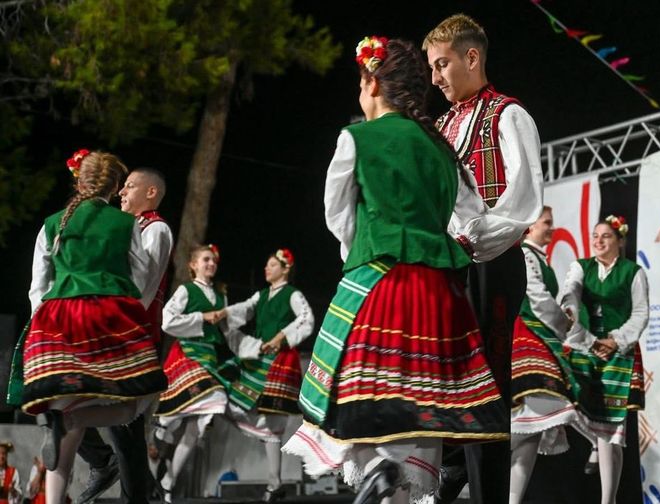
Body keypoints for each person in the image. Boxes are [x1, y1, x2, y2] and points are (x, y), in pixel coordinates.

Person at [283, 36, 511, 504]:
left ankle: (379, 471)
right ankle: (392, 479)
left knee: (361, 402)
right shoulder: (441, 148)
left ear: (370, 82)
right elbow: (471, 218)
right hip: (442, 294)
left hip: (380, 280)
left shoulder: (357, 138)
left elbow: (338, 217)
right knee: (424, 409)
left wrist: (364, 250)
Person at [423, 14, 544, 503]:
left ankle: (485, 490)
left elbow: (524, 197)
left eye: (442, 64)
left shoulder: (508, 114)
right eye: (432, 67)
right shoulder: (438, 125)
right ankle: (448, 469)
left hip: (490, 262)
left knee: (485, 381)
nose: (435, 77)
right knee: (442, 372)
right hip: (447, 264)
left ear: (472, 57)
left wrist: (473, 240)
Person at [11, 149, 166, 504]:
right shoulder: (125, 223)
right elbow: (142, 277)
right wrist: (128, 312)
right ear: (113, 187)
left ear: (79, 181)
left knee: (61, 405)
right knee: (133, 404)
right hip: (108, 316)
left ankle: (54, 486)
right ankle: (72, 420)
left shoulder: (54, 222)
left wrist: (42, 320)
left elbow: (38, 284)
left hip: (56, 319)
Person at [75, 167, 173, 504]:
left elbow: (143, 288)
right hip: (115, 331)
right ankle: (121, 475)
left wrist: (114, 322)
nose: (122, 192)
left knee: (124, 425)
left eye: (130, 186)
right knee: (88, 406)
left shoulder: (155, 228)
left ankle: (131, 487)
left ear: (150, 193)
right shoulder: (129, 227)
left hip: (133, 335)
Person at [509, 207, 598, 504]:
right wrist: (563, 322)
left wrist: (567, 313)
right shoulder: (523, 254)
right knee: (538, 410)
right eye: (546, 222)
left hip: (540, 335)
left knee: (532, 426)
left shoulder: (538, 258)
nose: (551, 228)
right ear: (530, 225)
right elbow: (536, 297)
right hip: (525, 335)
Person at [559, 215, 649, 504]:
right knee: (563, 404)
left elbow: (640, 313)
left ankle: (607, 501)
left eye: (606, 236)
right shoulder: (580, 267)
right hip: (586, 345)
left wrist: (616, 340)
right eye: (595, 235)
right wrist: (582, 332)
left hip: (617, 352)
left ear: (620, 241)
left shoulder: (633, 272)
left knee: (611, 430)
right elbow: (570, 292)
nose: (598, 240)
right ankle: (593, 443)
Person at [223, 248, 314, 501]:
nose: (266, 268)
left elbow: (307, 319)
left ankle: (274, 484)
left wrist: (282, 336)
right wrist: (223, 314)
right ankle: (275, 483)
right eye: (267, 264)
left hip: (281, 360)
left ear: (285, 269)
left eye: (272, 265)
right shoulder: (261, 295)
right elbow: (244, 309)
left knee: (273, 423)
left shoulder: (292, 294)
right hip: (260, 358)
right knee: (230, 402)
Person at [154, 244, 236, 503]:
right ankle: (161, 435)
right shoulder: (186, 290)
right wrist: (201, 317)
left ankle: (168, 482)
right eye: (206, 259)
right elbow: (167, 321)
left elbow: (226, 332)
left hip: (209, 358)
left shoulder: (220, 295)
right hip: (187, 355)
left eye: (213, 260)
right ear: (193, 265)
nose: (211, 264)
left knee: (199, 422)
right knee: (175, 418)